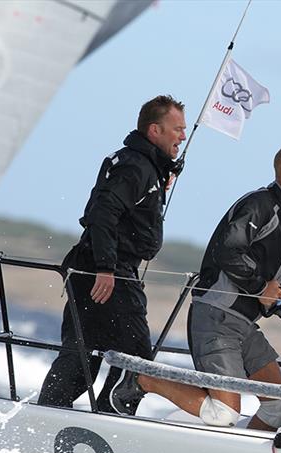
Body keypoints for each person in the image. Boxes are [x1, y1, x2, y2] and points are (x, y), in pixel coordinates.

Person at [111, 142, 281, 431]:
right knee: (222, 414)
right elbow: (228, 252)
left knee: (280, 404)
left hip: (243, 325)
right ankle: (142, 379)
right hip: (217, 317)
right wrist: (262, 286)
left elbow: (266, 284)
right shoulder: (260, 205)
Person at [37, 95, 186, 414]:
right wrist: (106, 268)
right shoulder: (135, 166)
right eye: (177, 129)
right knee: (138, 361)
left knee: (84, 358)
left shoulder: (142, 165)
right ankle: (107, 416)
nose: (183, 136)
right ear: (155, 130)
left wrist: (161, 177)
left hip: (99, 269)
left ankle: (55, 413)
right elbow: (103, 213)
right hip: (108, 272)